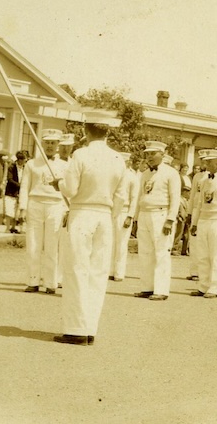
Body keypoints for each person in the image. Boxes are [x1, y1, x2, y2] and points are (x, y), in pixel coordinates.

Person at [54, 111, 127, 345]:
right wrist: (109, 215)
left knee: (77, 269)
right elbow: (121, 197)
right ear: (107, 132)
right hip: (105, 217)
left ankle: (75, 329)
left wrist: (59, 184)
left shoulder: (81, 154)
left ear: (86, 131)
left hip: (83, 213)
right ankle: (89, 329)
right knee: (97, 273)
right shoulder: (118, 158)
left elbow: (71, 189)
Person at [19, 130, 68, 294]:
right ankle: (32, 281)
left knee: (52, 246)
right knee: (33, 244)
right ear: (42, 143)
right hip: (35, 204)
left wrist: (67, 210)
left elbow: (68, 190)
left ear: (58, 145)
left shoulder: (65, 165)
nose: (50, 146)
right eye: (47, 142)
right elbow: (25, 186)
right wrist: (23, 208)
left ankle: (50, 283)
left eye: (53, 143)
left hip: (55, 205)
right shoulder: (32, 164)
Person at [134, 141, 181, 301]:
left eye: (153, 154)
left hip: (161, 215)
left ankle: (161, 290)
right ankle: (147, 287)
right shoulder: (145, 174)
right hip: (145, 215)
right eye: (147, 154)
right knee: (145, 252)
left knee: (161, 252)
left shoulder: (171, 173)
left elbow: (175, 199)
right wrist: (135, 218)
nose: (149, 157)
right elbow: (140, 196)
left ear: (162, 154)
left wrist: (170, 219)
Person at [189, 149, 217, 298]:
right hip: (204, 220)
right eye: (206, 161)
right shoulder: (203, 181)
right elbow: (199, 203)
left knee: (216, 256)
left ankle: (214, 287)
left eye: (210, 161)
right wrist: (194, 223)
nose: (206, 164)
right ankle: (203, 286)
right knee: (202, 255)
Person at [110, 153, 139, 282]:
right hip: (112, 211)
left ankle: (119, 272)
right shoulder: (113, 176)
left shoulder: (132, 177)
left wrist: (130, 216)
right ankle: (110, 270)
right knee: (110, 242)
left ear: (128, 162)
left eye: (125, 161)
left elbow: (134, 199)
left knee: (121, 243)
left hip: (124, 211)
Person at [185, 151, 209, 279]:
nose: (203, 163)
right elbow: (193, 195)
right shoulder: (197, 176)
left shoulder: (210, 177)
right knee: (193, 242)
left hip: (206, 212)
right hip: (195, 210)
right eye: (201, 160)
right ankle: (194, 271)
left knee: (203, 242)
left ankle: (203, 272)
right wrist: (189, 213)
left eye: (206, 160)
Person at [5, 151, 26, 234]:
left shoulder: (25, 168)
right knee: (9, 210)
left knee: (17, 210)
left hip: (20, 192)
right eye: (23, 160)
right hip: (11, 191)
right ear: (19, 160)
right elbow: (10, 179)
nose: (24, 161)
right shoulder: (12, 167)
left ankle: (13, 227)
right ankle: (7, 228)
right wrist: (20, 185)